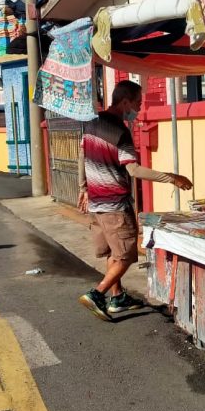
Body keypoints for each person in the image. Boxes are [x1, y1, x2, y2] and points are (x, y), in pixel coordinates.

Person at [78, 79, 193, 321]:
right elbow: (134, 170)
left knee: (113, 251)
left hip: (97, 203)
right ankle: (97, 294)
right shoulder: (120, 131)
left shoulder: (91, 123)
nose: (138, 109)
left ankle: (118, 298)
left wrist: (83, 187)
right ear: (125, 101)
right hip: (114, 205)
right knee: (127, 254)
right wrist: (172, 177)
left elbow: (82, 156)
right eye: (137, 103)